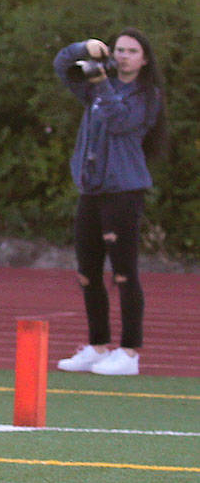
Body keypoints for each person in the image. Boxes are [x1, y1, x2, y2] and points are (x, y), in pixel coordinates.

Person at [52, 29, 166, 376]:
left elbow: (118, 120)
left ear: (144, 59)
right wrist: (83, 48)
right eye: (119, 50)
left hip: (124, 192)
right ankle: (98, 346)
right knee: (87, 272)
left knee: (124, 273)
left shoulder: (147, 95)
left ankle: (129, 352)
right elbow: (62, 66)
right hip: (92, 189)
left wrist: (100, 81)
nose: (124, 56)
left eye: (132, 51)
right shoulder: (98, 86)